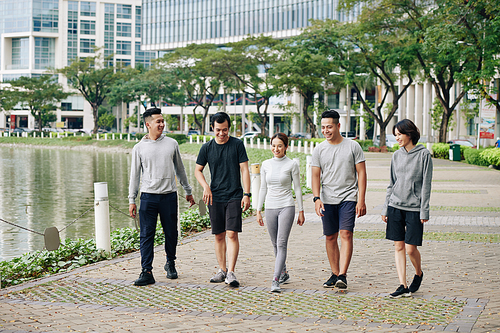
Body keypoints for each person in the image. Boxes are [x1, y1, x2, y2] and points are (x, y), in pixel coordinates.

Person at [129, 108, 195, 286]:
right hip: (148, 198)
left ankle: (170, 263)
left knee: (171, 233)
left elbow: (180, 170)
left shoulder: (172, 144)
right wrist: (131, 199)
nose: (162, 124)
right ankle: (146, 271)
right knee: (146, 235)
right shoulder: (139, 148)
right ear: (148, 124)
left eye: (162, 121)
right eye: (158, 121)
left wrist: (188, 191)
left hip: (169, 196)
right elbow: (134, 175)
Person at [312, 110, 367, 289]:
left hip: (348, 197)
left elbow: (362, 173)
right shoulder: (319, 149)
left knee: (346, 234)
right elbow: (315, 175)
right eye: (323, 127)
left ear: (338, 126)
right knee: (330, 236)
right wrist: (316, 198)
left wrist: (361, 200)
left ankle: (343, 274)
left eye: (329, 127)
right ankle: (334, 273)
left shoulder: (353, 146)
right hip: (327, 198)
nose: (325, 130)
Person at [195, 112, 251, 287]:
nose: (221, 133)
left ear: (229, 128)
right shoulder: (206, 148)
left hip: (234, 195)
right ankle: (222, 270)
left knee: (232, 233)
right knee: (219, 235)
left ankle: (231, 272)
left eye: (225, 130)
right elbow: (198, 170)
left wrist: (247, 194)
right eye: (218, 130)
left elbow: (244, 170)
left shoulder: (237, 145)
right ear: (212, 128)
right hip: (215, 196)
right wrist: (206, 186)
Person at [381, 119, 433, 298]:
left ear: (409, 134)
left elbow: (426, 185)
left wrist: (424, 210)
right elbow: (391, 183)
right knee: (398, 246)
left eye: (399, 135)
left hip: (414, 208)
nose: (397, 139)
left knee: (411, 248)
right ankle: (402, 285)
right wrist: (386, 207)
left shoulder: (424, 155)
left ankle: (418, 273)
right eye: (395, 135)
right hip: (395, 205)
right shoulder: (396, 155)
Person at [256, 133, 305, 293]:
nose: (276, 149)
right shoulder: (265, 164)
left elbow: (297, 188)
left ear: (286, 147)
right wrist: (258, 210)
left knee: (282, 243)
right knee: (275, 244)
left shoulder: (292, 164)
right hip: (270, 207)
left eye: (279, 146)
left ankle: (275, 279)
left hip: (286, 206)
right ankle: (283, 273)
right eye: (273, 145)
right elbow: (263, 187)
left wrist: (301, 211)